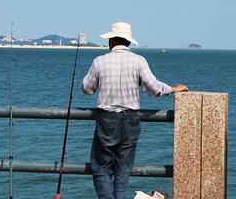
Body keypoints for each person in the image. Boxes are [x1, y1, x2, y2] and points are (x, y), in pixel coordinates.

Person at [81, 21, 188, 199]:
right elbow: (154, 88)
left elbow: (86, 88)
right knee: (123, 171)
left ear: (111, 40)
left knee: (101, 169)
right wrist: (173, 89)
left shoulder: (100, 61)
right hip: (131, 120)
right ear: (129, 42)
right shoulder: (139, 61)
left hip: (107, 120)